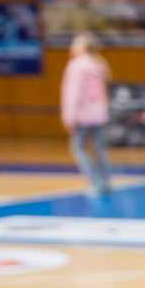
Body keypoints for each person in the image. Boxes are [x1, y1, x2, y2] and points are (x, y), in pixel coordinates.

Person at [60, 33, 113, 198]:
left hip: (82, 115)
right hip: (99, 114)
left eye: (74, 44)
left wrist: (69, 117)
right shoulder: (99, 64)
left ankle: (96, 183)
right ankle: (106, 182)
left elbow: (73, 93)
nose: (71, 47)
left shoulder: (76, 66)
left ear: (82, 47)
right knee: (98, 149)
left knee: (78, 148)